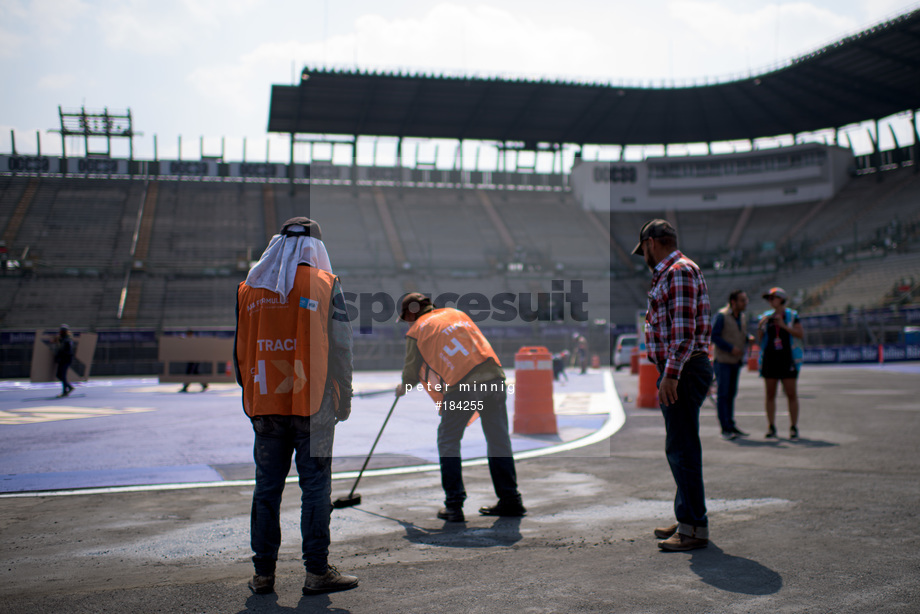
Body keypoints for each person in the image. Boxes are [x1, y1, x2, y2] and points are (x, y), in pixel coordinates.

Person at [234, 217, 358, 596]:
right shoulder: (325, 284)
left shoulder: (248, 290)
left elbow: (240, 350)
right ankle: (317, 572)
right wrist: (346, 396)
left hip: (266, 402)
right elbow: (341, 347)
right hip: (314, 403)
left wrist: (253, 396)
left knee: (266, 489)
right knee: (316, 487)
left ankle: (263, 575)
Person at [395, 293, 525, 523]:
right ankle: (511, 499)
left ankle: (454, 505)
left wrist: (402, 387)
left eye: (406, 318)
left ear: (411, 312)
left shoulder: (417, 330)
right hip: (495, 380)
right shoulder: (458, 314)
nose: (407, 323)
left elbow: (411, 372)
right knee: (498, 439)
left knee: (448, 439)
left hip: (465, 388)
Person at [633, 219, 713, 552]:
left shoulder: (677, 272)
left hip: (681, 368)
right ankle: (687, 518)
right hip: (682, 367)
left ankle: (693, 526)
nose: (644, 257)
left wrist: (670, 374)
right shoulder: (676, 270)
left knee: (682, 449)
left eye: (644, 250)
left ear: (652, 242)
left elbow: (683, 335)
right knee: (680, 447)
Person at [757, 287, 805, 440]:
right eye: (769, 299)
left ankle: (793, 426)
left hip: (787, 359)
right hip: (770, 359)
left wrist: (784, 326)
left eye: (773, 298)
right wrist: (761, 326)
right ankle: (771, 426)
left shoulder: (792, 316)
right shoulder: (765, 316)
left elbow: (800, 334)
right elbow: (759, 339)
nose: (770, 301)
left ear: (782, 299)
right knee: (770, 394)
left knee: (791, 394)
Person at [711, 290, 754, 440]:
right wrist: (730, 348)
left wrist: (748, 338)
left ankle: (730, 424)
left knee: (731, 394)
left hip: (735, 362)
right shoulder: (722, 316)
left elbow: (737, 333)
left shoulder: (741, 316)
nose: (745, 302)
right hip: (723, 361)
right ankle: (725, 429)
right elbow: (714, 336)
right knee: (723, 395)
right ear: (733, 302)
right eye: (743, 300)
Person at [54, 324, 76, 398]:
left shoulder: (67, 339)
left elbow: (67, 350)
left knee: (62, 375)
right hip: (62, 359)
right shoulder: (62, 339)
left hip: (66, 359)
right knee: (59, 375)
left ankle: (65, 391)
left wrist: (61, 356)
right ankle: (69, 387)